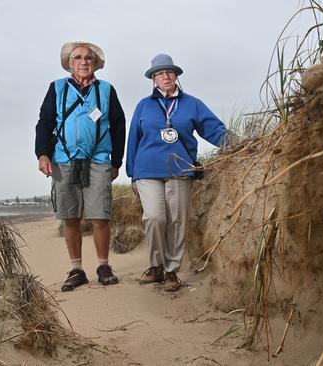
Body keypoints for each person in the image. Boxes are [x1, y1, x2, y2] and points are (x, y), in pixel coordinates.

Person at [126, 53, 226, 292]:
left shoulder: (192, 103)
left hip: (180, 168)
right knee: (154, 217)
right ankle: (155, 266)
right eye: (160, 73)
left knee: (177, 220)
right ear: (154, 79)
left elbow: (212, 128)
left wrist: (233, 142)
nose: (166, 76)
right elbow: (133, 140)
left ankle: (171, 271)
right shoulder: (144, 105)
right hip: (147, 169)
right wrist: (132, 174)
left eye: (170, 72)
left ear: (176, 76)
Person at [35, 41, 126, 291]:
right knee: (70, 217)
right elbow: (44, 122)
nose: (84, 61)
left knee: (100, 216)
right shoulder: (57, 88)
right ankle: (77, 270)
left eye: (88, 58)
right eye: (78, 58)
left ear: (95, 63)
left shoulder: (106, 90)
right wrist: (42, 154)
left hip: (98, 159)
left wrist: (116, 161)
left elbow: (118, 125)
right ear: (70, 63)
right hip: (63, 159)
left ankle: (103, 266)